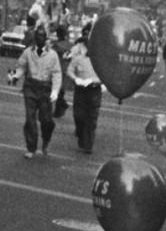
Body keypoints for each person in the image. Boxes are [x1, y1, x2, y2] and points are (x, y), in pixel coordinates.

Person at [19, 23, 63, 158]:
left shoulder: (53, 55)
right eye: (37, 36)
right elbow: (21, 66)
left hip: (45, 89)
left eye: (42, 36)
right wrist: (15, 75)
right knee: (30, 119)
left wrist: (55, 91)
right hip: (31, 87)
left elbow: (57, 73)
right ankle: (31, 148)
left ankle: (46, 140)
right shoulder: (28, 52)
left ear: (46, 38)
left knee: (46, 120)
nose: (39, 38)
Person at [67, 23, 103, 156]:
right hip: (81, 90)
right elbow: (70, 70)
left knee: (92, 118)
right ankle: (81, 135)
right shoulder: (78, 59)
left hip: (94, 91)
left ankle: (88, 144)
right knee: (79, 116)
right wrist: (76, 79)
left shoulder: (100, 61)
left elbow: (105, 77)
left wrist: (94, 81)